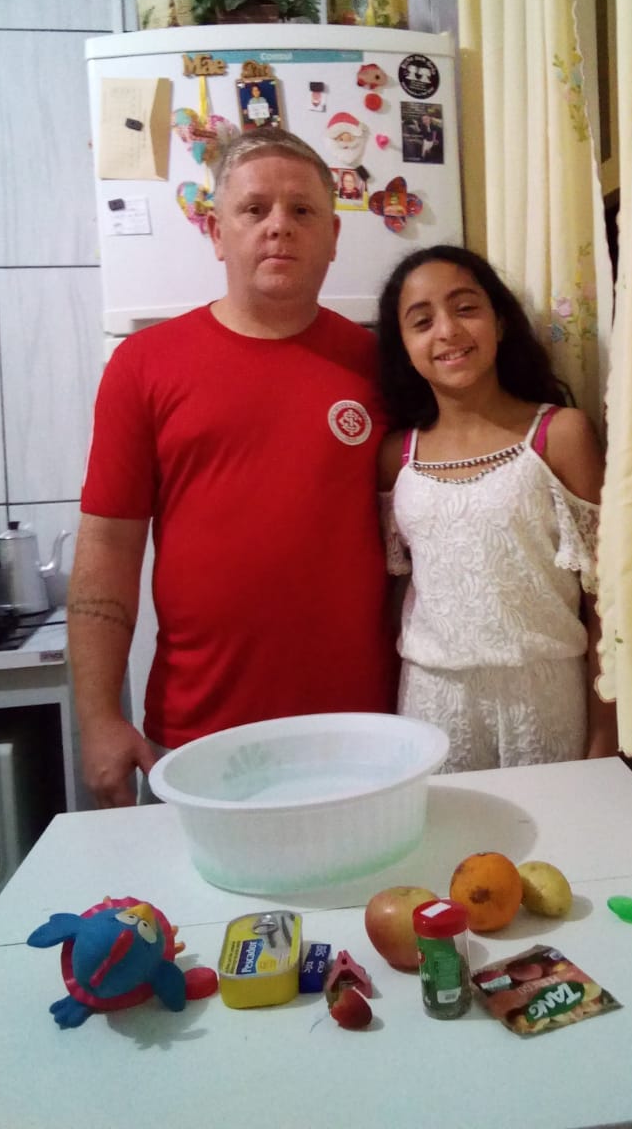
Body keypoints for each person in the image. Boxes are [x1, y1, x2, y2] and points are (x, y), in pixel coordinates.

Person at [70, 127, 395, 808]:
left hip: (365, 732)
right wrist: (98, 717)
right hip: (198, 738)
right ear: (218, 234)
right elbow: (108, 547)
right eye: (254, 209)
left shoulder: (382, 367)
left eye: (302, 210)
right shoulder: (143, 366)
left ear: (334, 237)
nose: (279, 226)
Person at [376, 244, 616, 773]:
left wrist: (606, 736)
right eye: (422, 321)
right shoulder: (397, 456)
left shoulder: (561, 435)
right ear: (405, 348)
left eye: (466, 308)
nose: (448, 331)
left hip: (544, 695)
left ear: (500, 322)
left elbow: (607, 598)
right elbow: (400, 589)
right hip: (431, 699)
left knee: (551, 826)